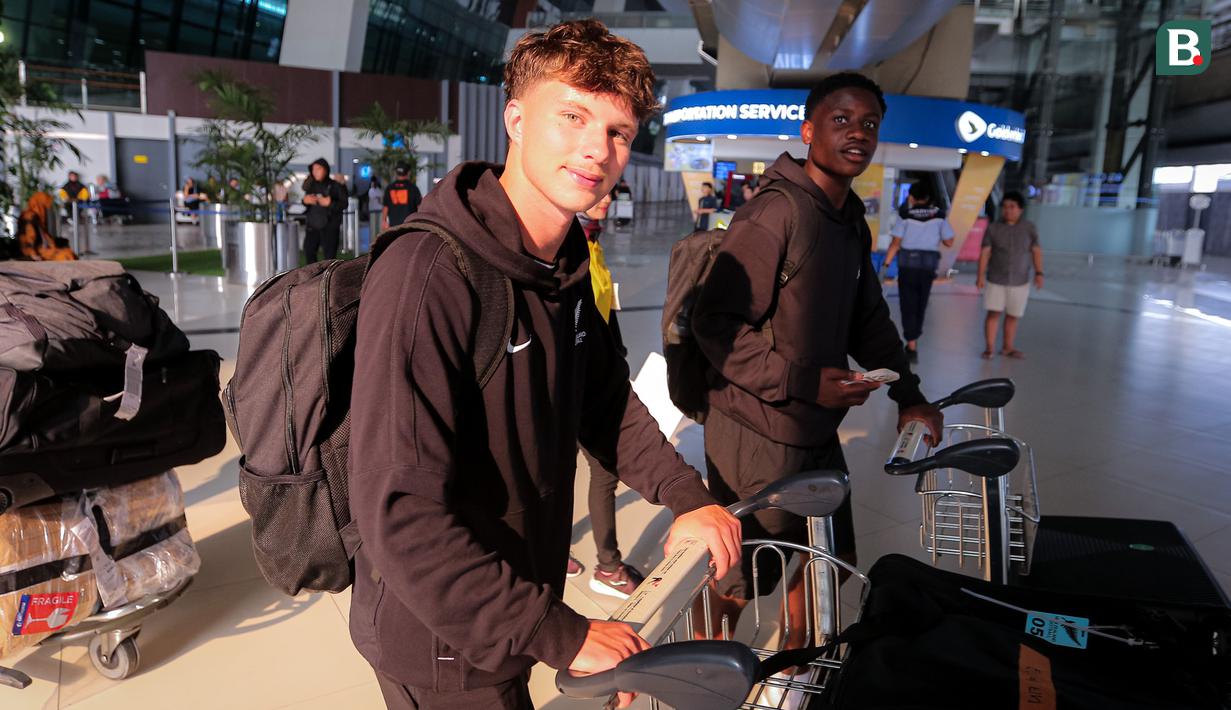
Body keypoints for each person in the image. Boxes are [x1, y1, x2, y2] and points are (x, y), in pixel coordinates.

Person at [347, 19, 741, 710]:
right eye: (573, 116)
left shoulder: (559, 268)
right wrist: (556, 633)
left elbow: (603, 405)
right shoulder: (429, 272)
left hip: (512, 598)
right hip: (444, 635)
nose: (598, 148)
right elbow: (398, 510)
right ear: (516, 118)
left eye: (619, 132)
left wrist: (689, 497)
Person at [691, 72, 944, 688]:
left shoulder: (848, 220)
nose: (858, 133)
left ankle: (797, 681)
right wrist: (806, 382)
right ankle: (697, 680)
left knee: (823, 563)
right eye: (841, 120)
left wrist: (909, 395)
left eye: (869, 125)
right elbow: (715, 324)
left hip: (811, 426)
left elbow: (870, 320)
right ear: (809, 131)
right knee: (740, 582)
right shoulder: (775, 213)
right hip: (756, 433)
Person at [572, 192, 643, 600]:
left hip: (595, 378)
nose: (608, 197)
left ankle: (563, 549)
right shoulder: (570, 245)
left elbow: (604, 311)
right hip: (578, 385)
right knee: (604, 471)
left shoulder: (591, 243)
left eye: (611, 190)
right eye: (597, 191)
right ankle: (609, 568)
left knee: (576, 470)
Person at [883, 181, 955, 362]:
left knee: (908, 303)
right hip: (927, 266)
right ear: (929, 198)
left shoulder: (905, 215)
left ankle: (911, 343)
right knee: (921, 304)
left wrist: (886, 264)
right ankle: (914, 339)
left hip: (908, 265)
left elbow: (896, 243)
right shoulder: (938, 215)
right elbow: (949, 242)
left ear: (911, 198)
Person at [977, 191, 1044, 359]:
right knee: (994, 313)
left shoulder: (1029, 228)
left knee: (1013, 315)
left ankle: (1008, 347)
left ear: (1020, 209)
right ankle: (989, 348)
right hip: (996, 278)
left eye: (1012, 207)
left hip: (1020, 280)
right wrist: (980, 275)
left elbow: (1036, 250)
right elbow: (985, 252)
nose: (1008, 210)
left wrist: (1039, 272)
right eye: (1005, 207)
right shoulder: (993, 228)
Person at [301, 158, 346, 263]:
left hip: (330, 226)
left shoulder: (335, 185)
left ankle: (328, 278)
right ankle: (313, 278)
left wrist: (330, 203)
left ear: (326, 170)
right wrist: (305, 201)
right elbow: (306, 201)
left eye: (318, 169)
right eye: (313, 169)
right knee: (309, 252)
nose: (315, 171)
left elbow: (344, 204)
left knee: (329, 258)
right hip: (313, 226)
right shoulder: (311, 185)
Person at [17, 192, 76, 261]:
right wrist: (32, 254)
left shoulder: (36, 215)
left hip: (41, 248)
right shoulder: (29, 216)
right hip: (34, 251)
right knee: (66, 256)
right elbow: (29, 237)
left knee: (69, 253)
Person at [381, 163, 422, 229]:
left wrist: (384, 221)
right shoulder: (413, 188)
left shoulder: (390, 188)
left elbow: (386, 207)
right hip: (410, 224)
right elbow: (419, 206)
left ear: (396, 173)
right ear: (408, 173)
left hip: (394, 225)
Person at [366, 176, 384, 243]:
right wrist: (378, 198)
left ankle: (379, 239)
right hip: (373, 210)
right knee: (373, 226)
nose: (373, 184)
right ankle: (373, 240)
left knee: (379, 226)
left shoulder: (378, 190)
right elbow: (377, 198)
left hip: (379, 209)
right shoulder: (371, 190)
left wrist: (378, 198)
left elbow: (380, 199)